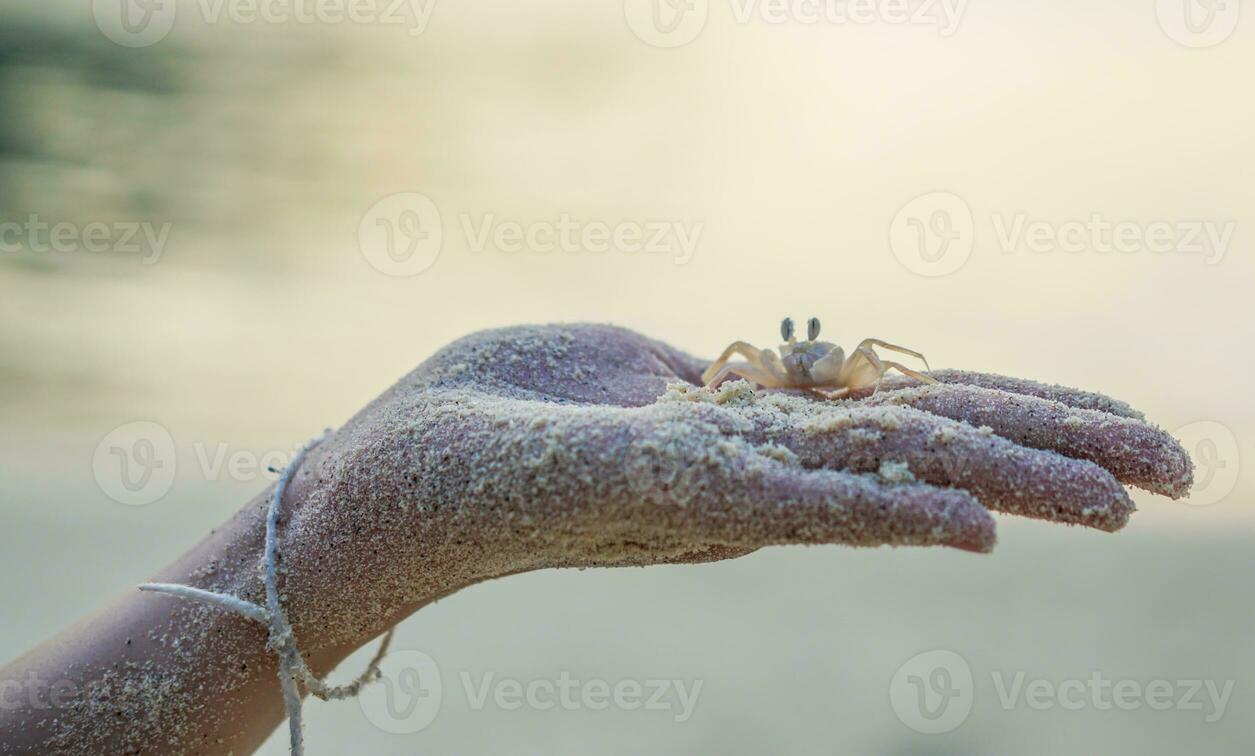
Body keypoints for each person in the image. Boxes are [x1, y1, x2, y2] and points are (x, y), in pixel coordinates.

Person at [0, 323, 1190, 754]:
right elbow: (737, 370)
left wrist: (326, 539)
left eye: (815, 346)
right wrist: (344, 526)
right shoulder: (754, 360)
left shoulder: (848, 362)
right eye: (789, 344)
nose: (805, 354)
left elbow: (861, 363)